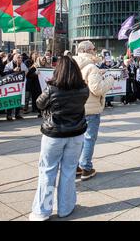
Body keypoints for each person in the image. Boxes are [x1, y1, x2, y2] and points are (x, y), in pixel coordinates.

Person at [29, 56, 89, 221]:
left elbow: (39, 104)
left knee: (48, 171)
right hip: (76, 133)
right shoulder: (84, 88)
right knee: (69, 171)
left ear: (58, 71)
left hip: (54, 134)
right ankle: (66, 208)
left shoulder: (52, 89)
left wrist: (50, 87)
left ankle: (42, 211)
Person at [73, 41, 114, 181]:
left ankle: (75, 166)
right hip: (90, 108)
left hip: (75, 107)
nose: (95, 51)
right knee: (89, 138)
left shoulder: (72, 64)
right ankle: (86, 167)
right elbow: (97, 89)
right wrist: (109, 79)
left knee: (78, 139)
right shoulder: (91, 67)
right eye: (94, 49)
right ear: (89, 50)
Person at [4, 54, 28, 121]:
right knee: (11, 99)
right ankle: (9, 115)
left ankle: (17, 114)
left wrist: (24, 72)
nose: (20, 59)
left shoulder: (23, 65)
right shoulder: (8, 65)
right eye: (18, 57)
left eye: (21, 58)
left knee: (18, 99)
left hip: (20, 85)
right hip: (11, 85)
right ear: (14, 58)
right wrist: (13, 70)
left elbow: (26, 71)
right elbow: (5, 74)